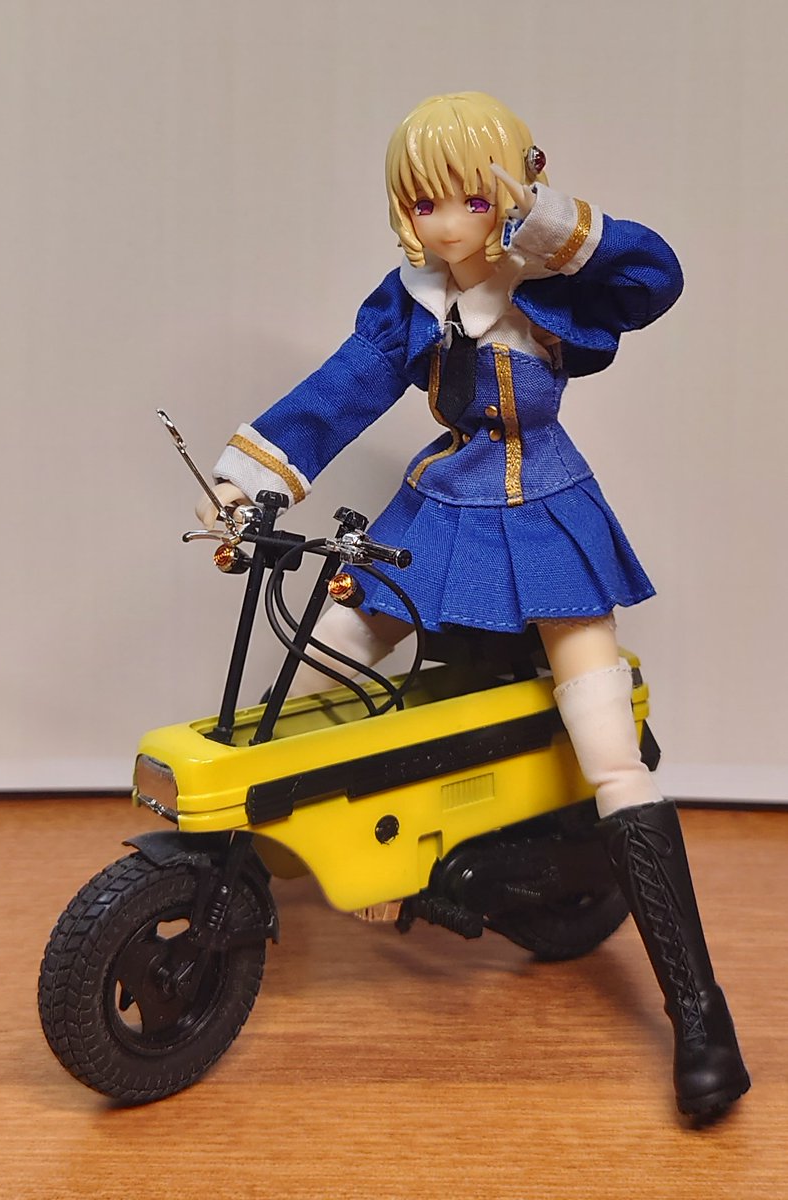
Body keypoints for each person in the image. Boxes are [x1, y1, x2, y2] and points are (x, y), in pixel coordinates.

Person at [197, 91, 749, 1117]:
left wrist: (550, 223)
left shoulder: (551, 281)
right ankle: (251, 864)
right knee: (321, 653)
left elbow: (652, 278)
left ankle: (699, 1008)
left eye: (467, 198)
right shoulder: (410, 302)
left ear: (509, 193)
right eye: (422, 203)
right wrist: (250, 481)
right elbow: (340, 389)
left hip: (547, 511)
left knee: (607, 749)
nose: (443, 223)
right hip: (440, 506)